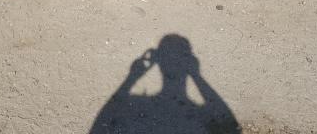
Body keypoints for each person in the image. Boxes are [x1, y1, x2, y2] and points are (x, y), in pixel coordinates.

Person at [89, 34, 240, 134]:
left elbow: (102, 120)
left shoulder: (136, 103)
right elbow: (231, 125)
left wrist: (132, 78)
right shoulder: (198, 114)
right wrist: (196, 76)